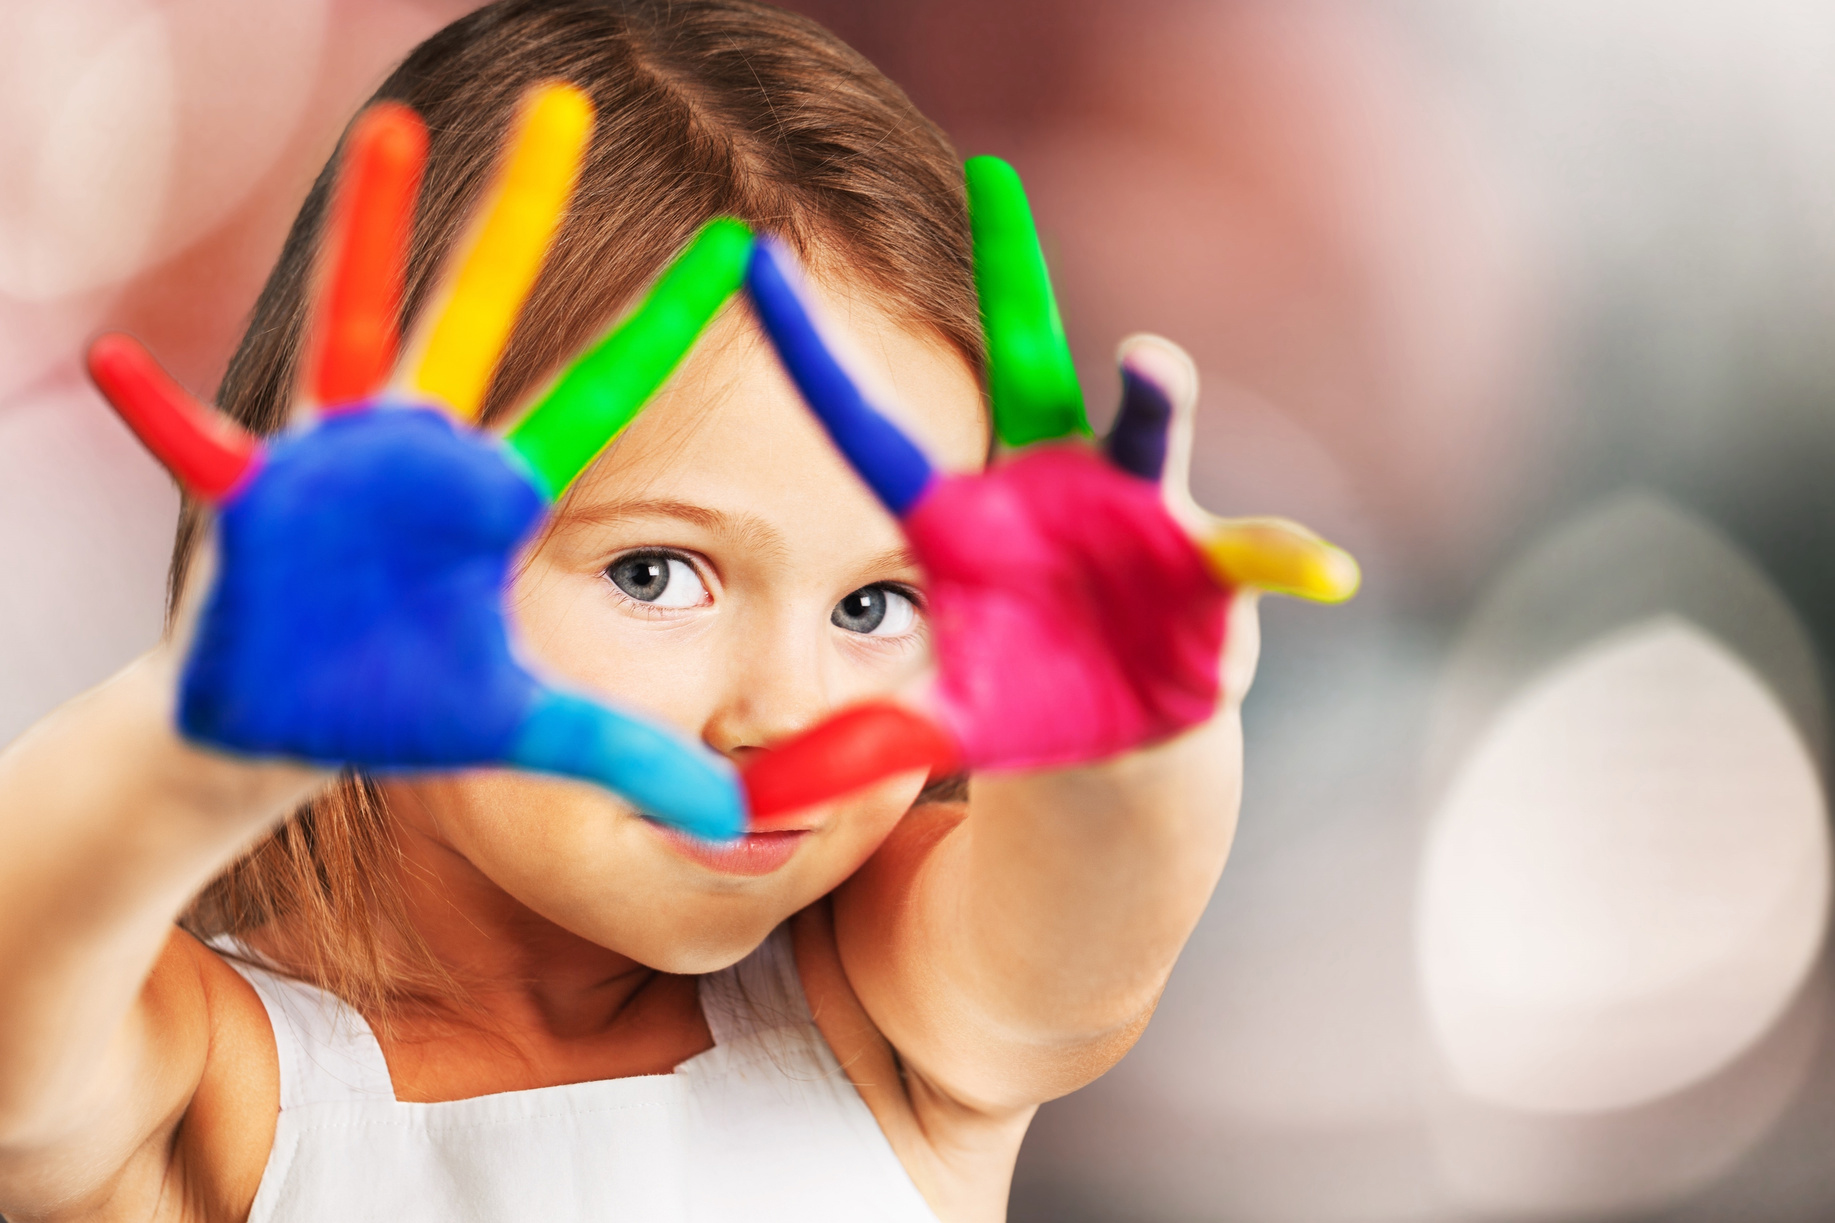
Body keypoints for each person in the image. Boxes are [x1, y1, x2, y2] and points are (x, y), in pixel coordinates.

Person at [0, 1, 1354, 1220]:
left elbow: (1087, 934)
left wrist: (1138, 728)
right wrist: (204, 737)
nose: (780, 708)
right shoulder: (205, 1082)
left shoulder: (890, 1011)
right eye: (657, 574)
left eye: (882, 602)